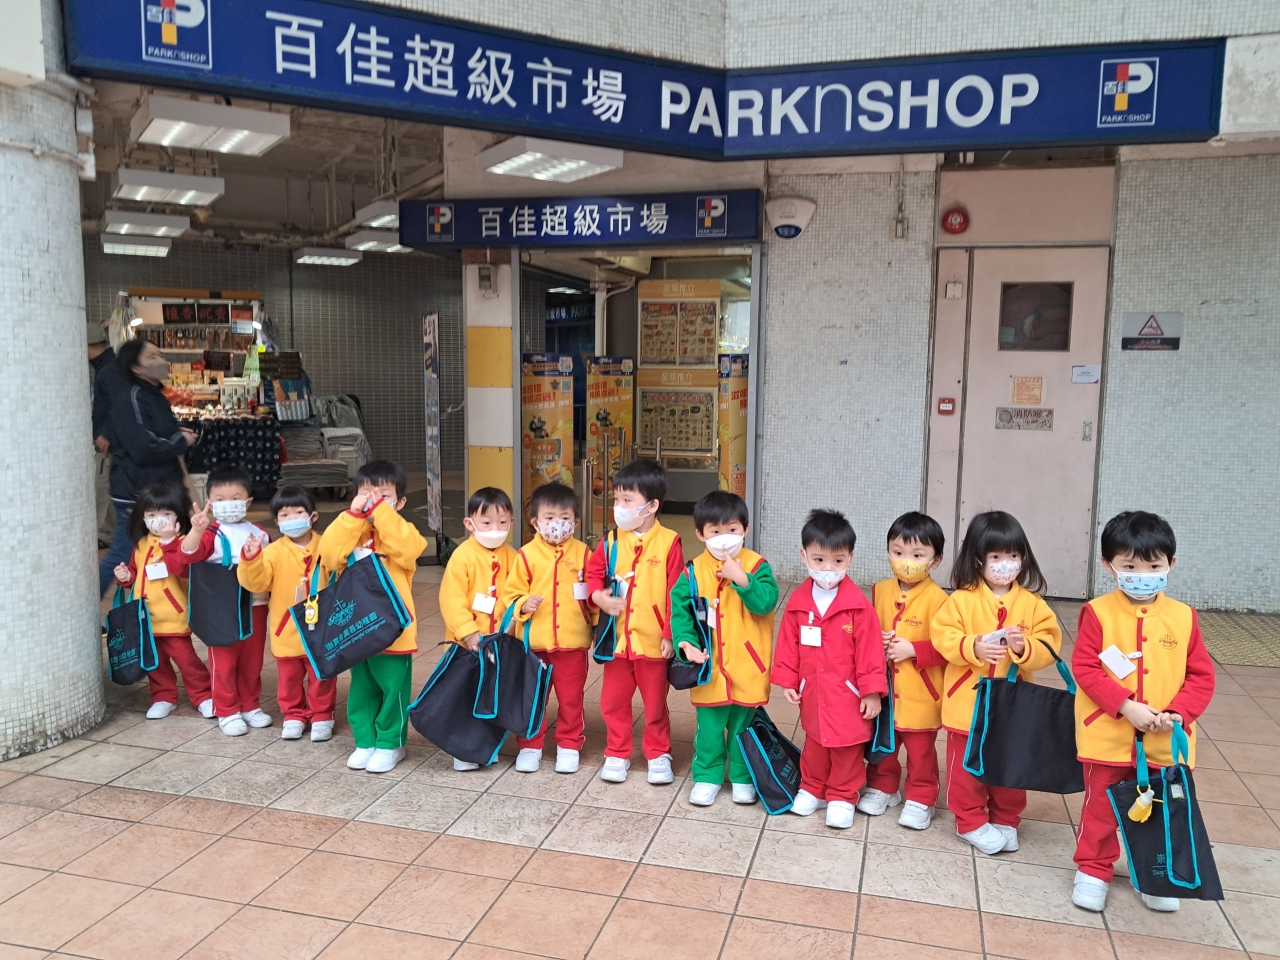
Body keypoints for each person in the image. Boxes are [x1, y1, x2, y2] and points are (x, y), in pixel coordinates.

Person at [1069, 511, 1216, 915]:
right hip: (1108, 736)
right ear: (1108, 565)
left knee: (1159, 813)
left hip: (1165, 741)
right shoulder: (1097, 612)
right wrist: (1125, 706)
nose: (1142, 575)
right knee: (1101, 808)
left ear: (1171, 563)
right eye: (1130, 566)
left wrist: (1178, 713)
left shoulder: (1184, 617)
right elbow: (1086, 667)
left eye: (1153, 566)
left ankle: (1153, 876)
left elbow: (1201, 677)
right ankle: (1093, 870)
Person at [933, 511, 1063, 855]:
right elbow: (943, 636)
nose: (1006, 564)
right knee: (967, 768)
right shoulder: (960, 600)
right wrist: (972, 647)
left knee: (1010, 765)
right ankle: (969, 821)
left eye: (1013, 555)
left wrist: (1025, 648)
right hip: (967, 703)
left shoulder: (1033, 604)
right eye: (996, 556)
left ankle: (1006, 818)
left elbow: (1050, 644)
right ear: (978, 558)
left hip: (1013, 707)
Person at [771, 509, 886, 829]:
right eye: (819, 560)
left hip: (848, 693)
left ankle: (843, 795)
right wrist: (788, 680)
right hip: (813, 690)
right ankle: (813, 788)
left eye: (837, 561)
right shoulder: (798, 602)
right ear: (804, 556)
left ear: (850, 558)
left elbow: (870, 652)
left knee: (847, 747)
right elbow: (788, 643)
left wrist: (871, 691)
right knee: (816, 742)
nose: (827, 569)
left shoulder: (858, 607)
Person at [669, 491, 779, 807]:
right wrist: (685, 643)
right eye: (715, 531)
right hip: (710, 667)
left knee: (743, 727)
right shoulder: (692, 571)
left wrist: (743, 580)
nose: (724, 538)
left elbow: (766, 602)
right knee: (710, 728)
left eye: (732, 529)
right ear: (700, 534)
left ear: (745, 529)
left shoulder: (757, 565)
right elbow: (681, 611)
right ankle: (707, 776)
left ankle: (742, 777)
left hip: (748, 666)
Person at [320, 461, 427, 775]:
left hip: (393, 629)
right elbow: (329, 556)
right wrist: (352, 517)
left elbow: (409, 550)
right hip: (356, 626)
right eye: (367, 494)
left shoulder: (402, 531)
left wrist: (381, 513)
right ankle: (365, 741)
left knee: (392, 688)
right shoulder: (351, 530)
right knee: (362, 687)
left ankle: (391, 743)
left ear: (400, 502)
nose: (373, 501)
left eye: (384, 496)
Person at [587, 459, 684, 786]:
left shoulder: (669, 542)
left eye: (627, 500)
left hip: (653, 643)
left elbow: (676, 593)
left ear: (651, 506)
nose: (619, 507)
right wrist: (598, 596)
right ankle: (617, 751)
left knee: (655, 703)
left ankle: (659, 753)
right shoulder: (612, 541)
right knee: (613, 701)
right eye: (617, 499)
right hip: (617, 642)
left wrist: (670, 635)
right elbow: (593, 573)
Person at [861, 512, 950, 829]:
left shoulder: (940, 600)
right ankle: (883, 787)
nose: (906, 561)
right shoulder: (879, 590)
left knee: (920, 751)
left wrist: (914, 650)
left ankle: (922, 797)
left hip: (921, 693)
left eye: (917, 555)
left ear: (935, 561)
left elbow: (949, 647)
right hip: (885, 689)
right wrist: (877, 640)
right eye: (898, 552)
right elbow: (865, 631)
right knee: (883, 743)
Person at [500, 482, 594, 774]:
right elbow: (510, 594)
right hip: (534, 644)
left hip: (572, 643)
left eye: (565, 517)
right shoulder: (526, 555)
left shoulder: (584, 553)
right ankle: (530, 745)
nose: (557, 524)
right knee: (533, 697)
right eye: (550, 517)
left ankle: (569, 744)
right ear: (535, 522)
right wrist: (523, 603)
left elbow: (593, 596)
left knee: (571, 699)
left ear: (576, 522)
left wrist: (596, 626)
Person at [173, 465, 272, 737]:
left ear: (248, 502)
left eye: (235, 498)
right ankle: (226, 709)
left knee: (252, 660)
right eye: (220, 499)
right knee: (224, 661)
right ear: (210, 502)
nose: (228, 504)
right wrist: (196, 530)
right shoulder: (209, 533)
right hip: (221, 609)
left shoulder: (260, 533)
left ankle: (250, 704)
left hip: (256, 606)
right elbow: (187, 555)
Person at [238, 486, 337, 742]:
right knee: (289, 677)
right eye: (284, 515)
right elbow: (257, 583)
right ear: (276, 521)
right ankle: (293, 714)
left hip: (322, 626)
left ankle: (322, 715)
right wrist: (251, 560)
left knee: (322, 674)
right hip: (287, 627)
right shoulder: (273, 552)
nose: (292, 518)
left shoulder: (327, 545)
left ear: (313, 516)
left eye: (298, 512)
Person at [100, 339, 196, 596]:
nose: (161, 361)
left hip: (161, 488)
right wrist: (180, 441)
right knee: (123, 553)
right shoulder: (130, 398)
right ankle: (86, 609)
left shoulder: (153, 395)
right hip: (138, 492)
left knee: (170, 548)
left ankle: (167, 601)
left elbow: (157, 433)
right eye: (152, 357)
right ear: (136, 367)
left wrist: (177, 433)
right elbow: (142, 448)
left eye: (160, 354)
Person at [112, 481, 213, 720]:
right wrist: (125, 577)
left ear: (177, 516)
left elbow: (182, 570)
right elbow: (136, 574)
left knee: (187, 661)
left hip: (173, 617)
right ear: (142, 517)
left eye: (166, 514)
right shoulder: (141, 544)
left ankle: (203, 696)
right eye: (151, 514)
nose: (158, 520)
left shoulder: (184, 542)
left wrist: (169, 542)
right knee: (155, 662)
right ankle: (163, 696)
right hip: (146, 618)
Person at [438, 486, 517, 771]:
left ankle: (486, 747)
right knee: (466, 695)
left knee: (493, 695)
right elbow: (452, 598)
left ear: (511, 522)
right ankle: (463, 750)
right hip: (468, 645)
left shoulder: (513, 557)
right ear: (469, 523)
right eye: (486, 522)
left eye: (502, 522)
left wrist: (511, 629)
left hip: (499, 643)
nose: (495, 529)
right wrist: (468, 632)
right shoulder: (462, 556)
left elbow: (517, 595)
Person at [88, 320, 117, 546]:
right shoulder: (107, 365)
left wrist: (106, 433)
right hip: (107, 439)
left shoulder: (108, 369)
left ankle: (107, 535)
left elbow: (118, 405)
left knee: (105, 485)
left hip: (108, 443)